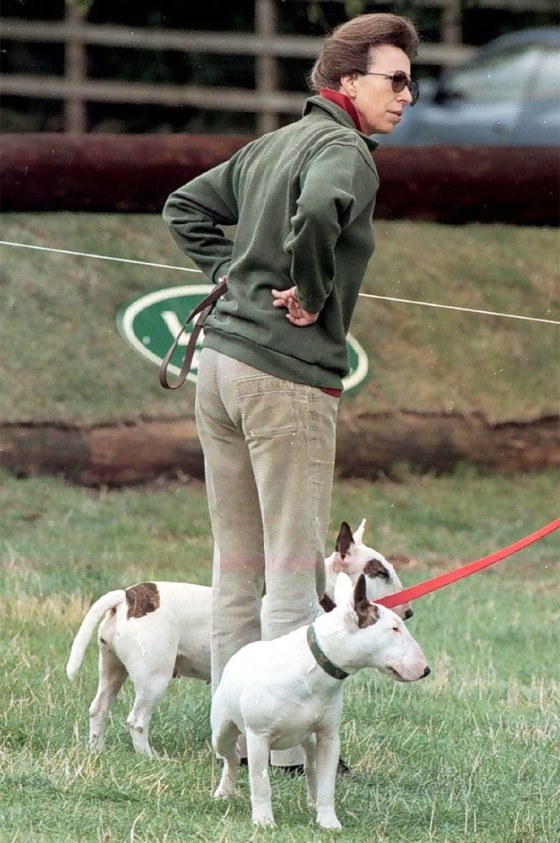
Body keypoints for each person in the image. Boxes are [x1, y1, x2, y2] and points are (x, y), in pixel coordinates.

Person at [163, 12, 419, 768]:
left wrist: (236, 277)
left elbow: (186, 207)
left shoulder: (274, 142)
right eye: (394, 80)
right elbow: (317, 211)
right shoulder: (345, 148)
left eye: (413, 81)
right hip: (285, 378)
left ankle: (232, 739)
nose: (407, 95)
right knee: (292, 571)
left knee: (234, 566)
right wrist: (306, 290)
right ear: (346, 82)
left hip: (220, 369)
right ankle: (278, 754)